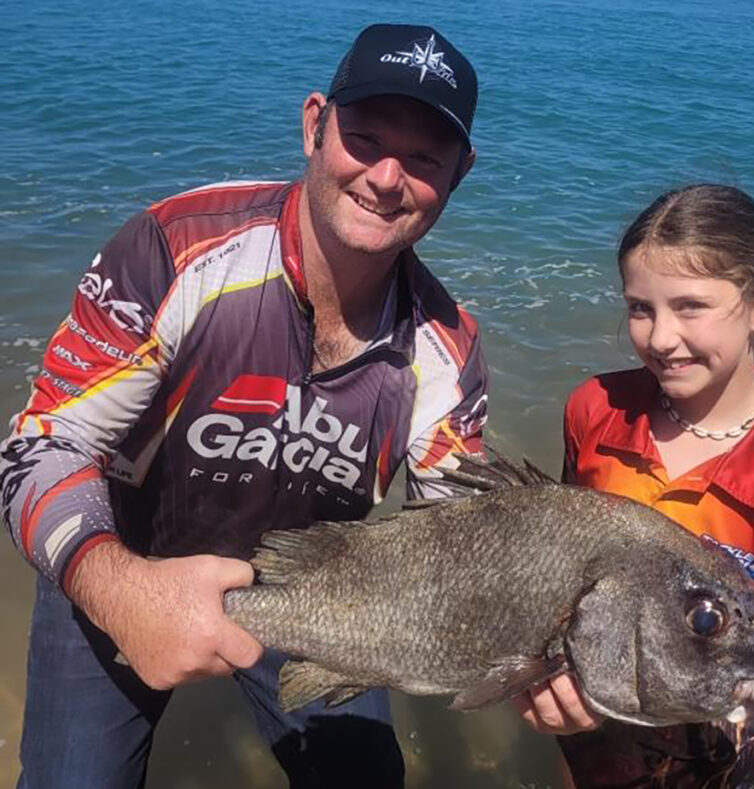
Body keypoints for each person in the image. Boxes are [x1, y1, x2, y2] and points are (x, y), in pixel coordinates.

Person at [0, 23, 488, 788]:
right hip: (117, 554)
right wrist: (118, 586)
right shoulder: (174, 248)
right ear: (313, 125)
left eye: (425, 158)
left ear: (460, 173)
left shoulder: (446, 351)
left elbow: (459, 549)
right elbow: (38, 443)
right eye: (363, 138)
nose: (387, 177)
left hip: (315, 594)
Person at [516, 184, 754, 788]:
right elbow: (562, 568)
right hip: (594, 720)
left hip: (713, 756)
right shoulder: (594, 409)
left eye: (691, 306)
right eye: (640, 308)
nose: (661, 337)